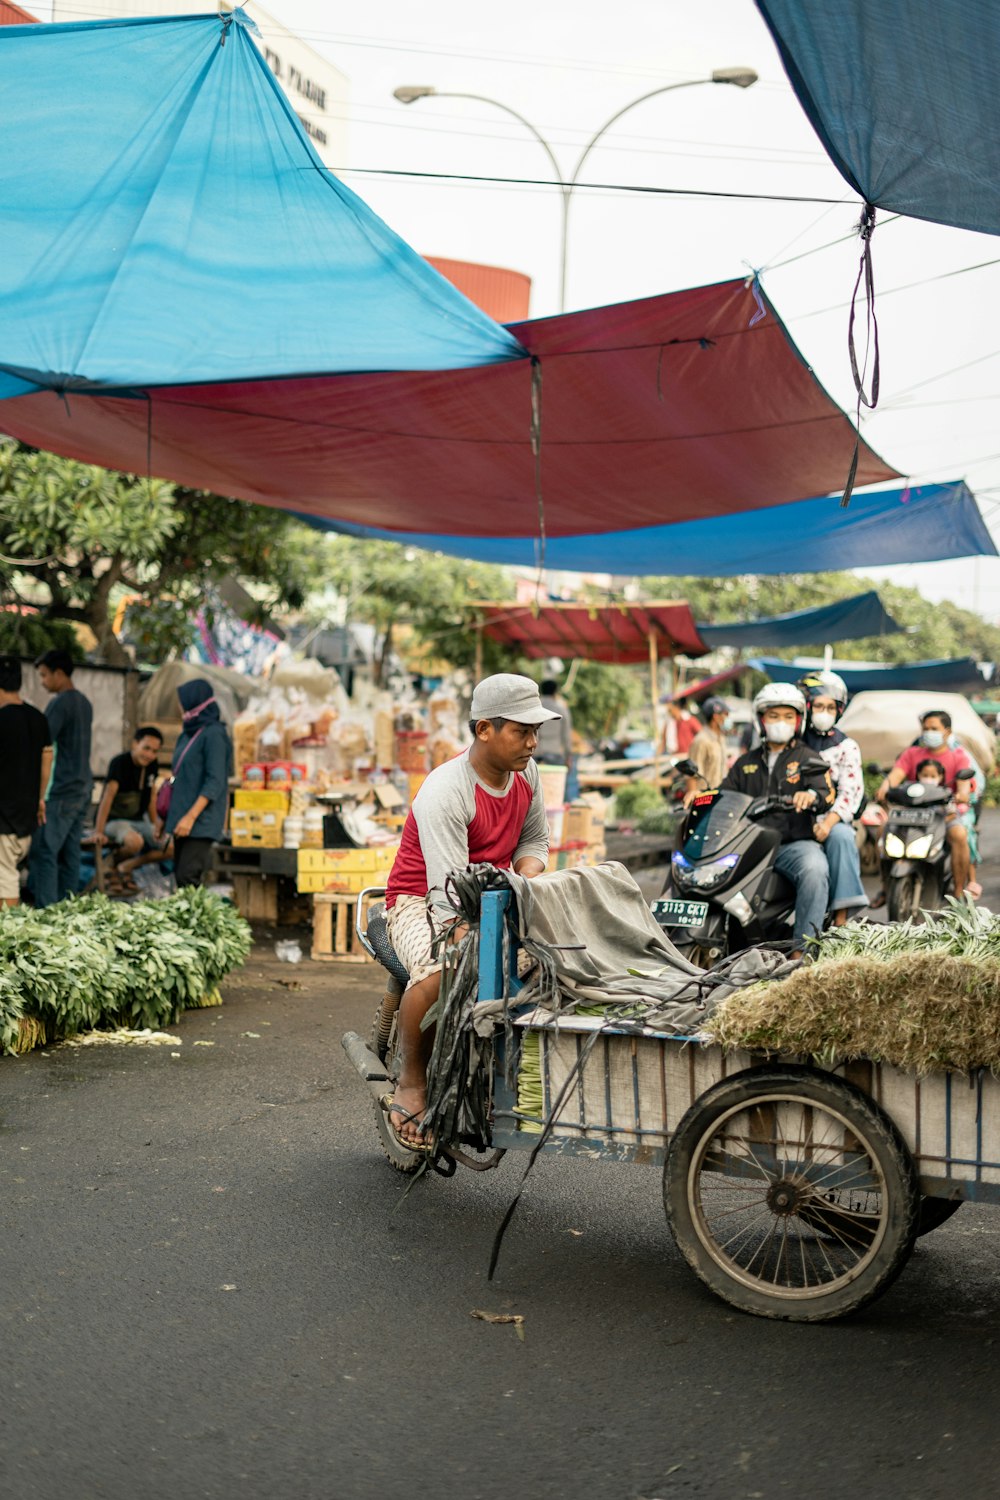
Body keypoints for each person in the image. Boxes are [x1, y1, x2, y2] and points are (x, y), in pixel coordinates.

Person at [383, 673, 554, 1148]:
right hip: (421, 900)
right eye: (522, 731)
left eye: (535, 731)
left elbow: (535, 841)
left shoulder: (528, 775)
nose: (533, 742)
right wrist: (477, 939)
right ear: (484, 729)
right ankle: (413, 1081)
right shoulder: (445, 789)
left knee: (549, 966)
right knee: (448, 968)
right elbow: (445, 899)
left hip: (495, 894)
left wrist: (525, 879)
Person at [721, 683, 835, 958]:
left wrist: (810, 796)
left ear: (798, 721)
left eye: (787, 716)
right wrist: (700, 796)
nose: (780, 722)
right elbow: (724, 795)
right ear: (761, 719)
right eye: (773, 716)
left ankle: (802, 955)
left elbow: (826, 792)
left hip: (792, 844)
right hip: (748, 844)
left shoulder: (808, 757)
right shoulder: (744, 762)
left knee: (815, 869)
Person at [877, 708, 975, 899]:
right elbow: (895, 775)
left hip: (943, 814)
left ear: (947, 731)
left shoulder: (958, 757)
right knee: (883, 829)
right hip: (911, 815)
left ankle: (958, 891)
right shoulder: (912, 753)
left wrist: (962, 793)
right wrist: (884, 788)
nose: (928, 732)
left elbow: (964, 785)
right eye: (925, 728)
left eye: (934, 728)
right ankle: (885, 888)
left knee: (959, 834)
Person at [797, 671, 868, 927]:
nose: (823, 712)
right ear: (807, 707)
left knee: (840, 837)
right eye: (818, 706)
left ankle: (841, 921)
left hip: (832, 818)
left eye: (830, 707)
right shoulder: (794, 741)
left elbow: (851, 792)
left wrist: (827, 824)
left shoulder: (846, 746)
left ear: (839, 710)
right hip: (792, 817)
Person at [29, 647, 93, 907]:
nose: (43, 682)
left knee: (45, 850)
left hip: (63, 789)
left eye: (44, 675)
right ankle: (67, 911)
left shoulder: (60, 703)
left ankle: (46, 912)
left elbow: (42, 744)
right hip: (83, 787)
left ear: (59, 673)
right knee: (70, 853)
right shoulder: (84, 702)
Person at [163, 680, 232, 888]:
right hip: (181, 818)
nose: (179, 706)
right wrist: (164, 818)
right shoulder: (187, 733)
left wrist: (190, 817)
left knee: (188, 877)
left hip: (200, 821)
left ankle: (195, 920)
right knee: (181, 878)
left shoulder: (214, 734)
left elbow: (215, 781)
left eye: (182, 701)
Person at [0, 656, 53, 907]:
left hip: (4, 818)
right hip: (27, 815)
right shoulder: (38, 718)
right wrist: (40, 798)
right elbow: (46, 761)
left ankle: (9, 938)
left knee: (5, 879)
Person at [89, 726, 166, 891]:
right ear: (135, 744)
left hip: (138, 820)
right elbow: (107, 798)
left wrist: (155, 827)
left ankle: (127, 866)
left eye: (154, 751)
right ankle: (111, 867)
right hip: (115, 821)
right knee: (134, 842)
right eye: (146, 748)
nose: (149, 755)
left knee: (170, 845)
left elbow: (152, 798)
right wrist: (99, 831)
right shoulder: (119, 763)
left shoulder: (152, 766)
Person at [534, 677, 577, 797]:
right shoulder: (561, 708)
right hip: (554, 752)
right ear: (555, 692)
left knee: (533, 789)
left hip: (534, 752)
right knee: (554, 789)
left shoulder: (534, 707)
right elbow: (566, 736)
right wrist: (569, 756)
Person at [683, 696, 730, 803]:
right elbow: (692, 775)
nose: (727, 718)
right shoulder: (701, 741)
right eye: (725, 714)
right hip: (705, 799)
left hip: (721, 796)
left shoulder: (721, 738)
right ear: (716, 717)